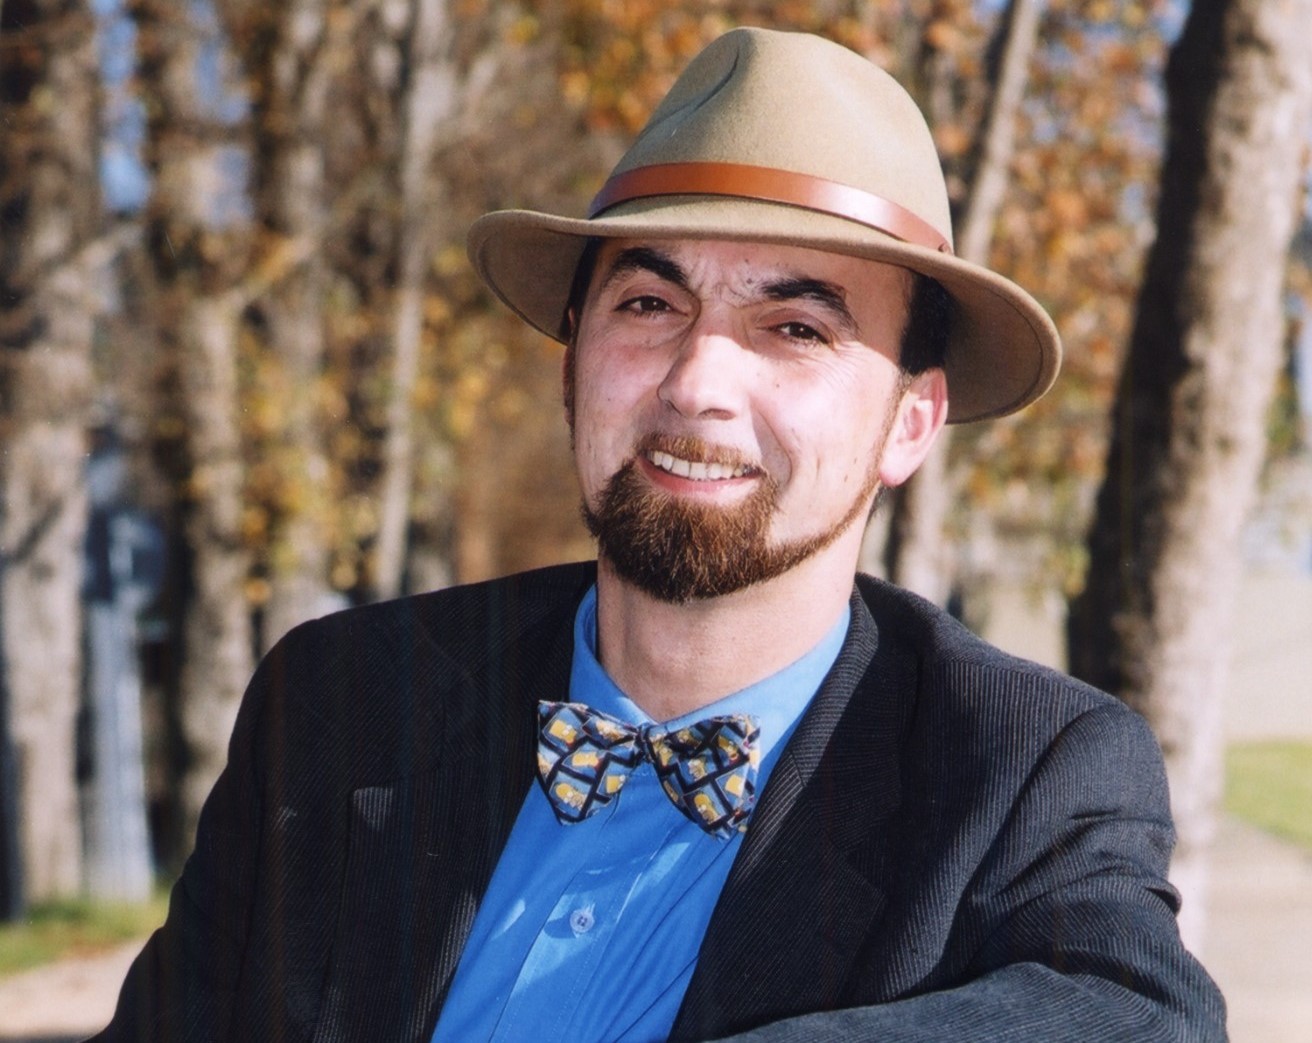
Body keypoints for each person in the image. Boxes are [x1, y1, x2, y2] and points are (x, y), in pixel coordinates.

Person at [97, 26, 1226, 1042]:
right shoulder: (344, 698)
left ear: (910, 421)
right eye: (650, 304)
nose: (697, 382)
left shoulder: (1017, 767)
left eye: (795, 326)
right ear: (572, 358)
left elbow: (1143, 1016)